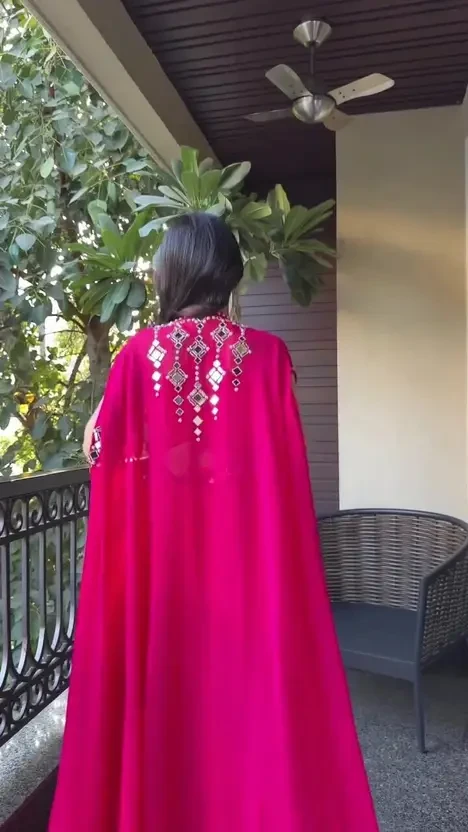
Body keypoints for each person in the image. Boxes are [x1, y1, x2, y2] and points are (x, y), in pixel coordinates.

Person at [49, 213, 378, 832]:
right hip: (248, 579)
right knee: (247, 717)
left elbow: (103, 455)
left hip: (166, 588)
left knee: (171, 713)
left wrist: (106, 423)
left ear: (168, 275)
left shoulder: (135, 360)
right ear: (228, 274)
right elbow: (278, 464)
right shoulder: (271, 357)